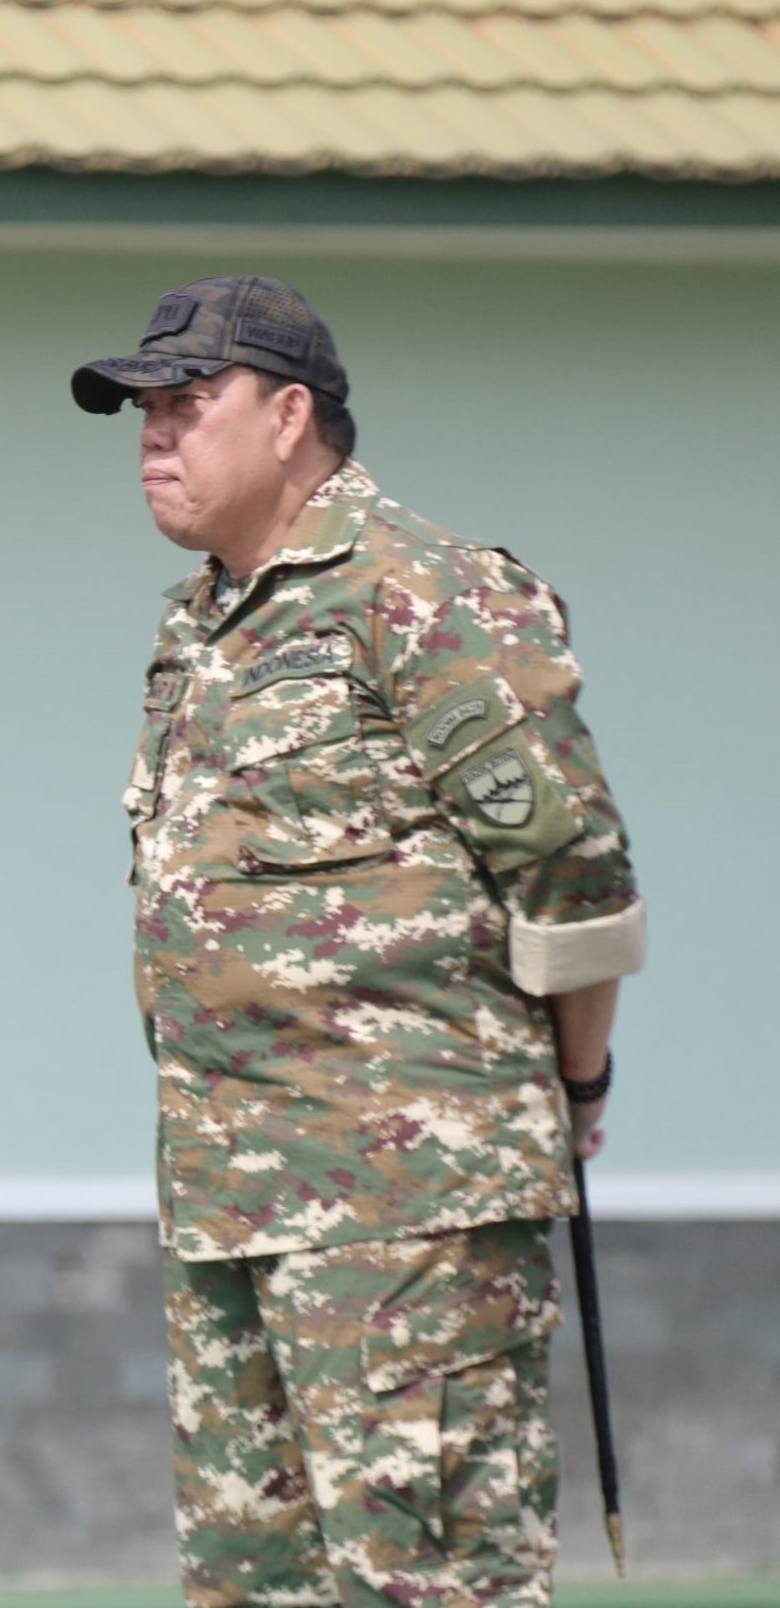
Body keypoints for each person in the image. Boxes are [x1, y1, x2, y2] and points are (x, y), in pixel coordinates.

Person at [77, 276, 644, 1607]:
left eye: (186, 401)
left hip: (410, 1198)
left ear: (289, 416)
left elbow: (571, 873)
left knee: (426, 1578)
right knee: (250, 1580)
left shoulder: (425, 591)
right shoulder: (200, 624)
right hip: (228, 1192)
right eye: (142, 410)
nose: (154, 433)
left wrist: (577, 1085)